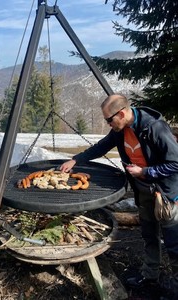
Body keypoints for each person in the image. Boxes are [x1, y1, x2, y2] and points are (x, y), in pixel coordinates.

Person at [60, 94, 178, 299]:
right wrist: (76, 159)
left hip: (165, 193)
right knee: (149, 235)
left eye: (108, 119)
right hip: (144, 192)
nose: (107, 123)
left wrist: (145, 172)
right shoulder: (120, 129)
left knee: (174, 243)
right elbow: (101, 147)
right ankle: (150, 275)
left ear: (121, 113)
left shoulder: (155, 128)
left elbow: (176, 163)